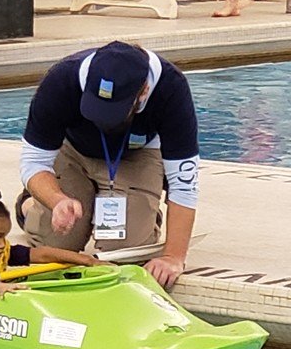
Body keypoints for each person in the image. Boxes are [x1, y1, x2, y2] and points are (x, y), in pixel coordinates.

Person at [16, 40, 199, 290]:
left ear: (143, 92)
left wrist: (173, 257)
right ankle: (29, 205)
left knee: (125, 255)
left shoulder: (171, 88)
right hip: (73, 151)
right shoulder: (62, 79)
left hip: (135, 154)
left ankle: (143, 211)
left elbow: (184, 182)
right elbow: (34, 161)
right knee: (57, 247)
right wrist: (56, 200)